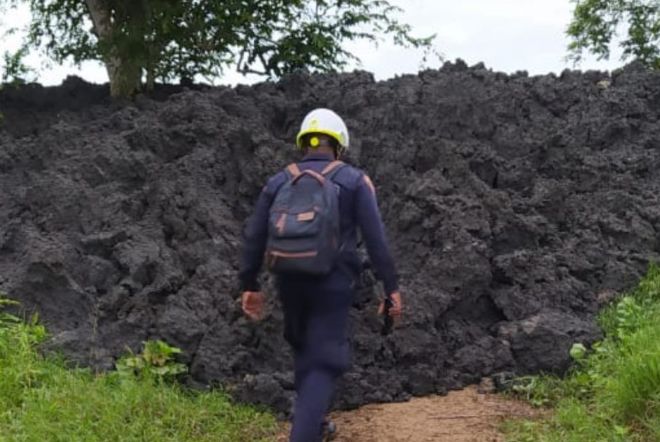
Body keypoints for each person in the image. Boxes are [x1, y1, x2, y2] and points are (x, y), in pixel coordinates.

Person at [238, 108, 402, 442]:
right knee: (324, 360)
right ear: (339, 145)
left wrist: (249, 285)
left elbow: (255, 235)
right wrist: (392, 287)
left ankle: (316, 423)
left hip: (288, 279)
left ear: (303, 144)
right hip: (333, 282)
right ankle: (303, 434)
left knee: (304, 349)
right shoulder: (355, 181)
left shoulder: (279, 180)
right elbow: (376, 239)